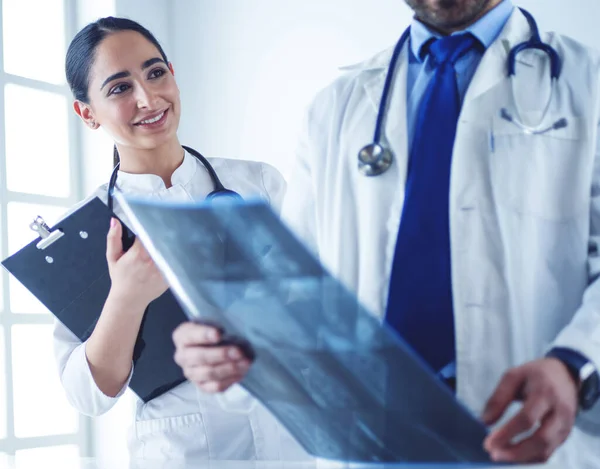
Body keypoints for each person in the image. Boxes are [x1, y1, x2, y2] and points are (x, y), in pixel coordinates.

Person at [275, 0, 600, 466]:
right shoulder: (332, 108)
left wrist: (575, 364)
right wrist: (230, 341)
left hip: (528, 434)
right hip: (377, 438)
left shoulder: (589, 82)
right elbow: (294, 285)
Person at [54, 16, 308, 460]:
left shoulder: (258, 184)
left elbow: (318, 309)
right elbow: (88, 395)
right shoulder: (86, 229)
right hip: (182, 452)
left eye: (155, 73)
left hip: (291, 441)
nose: (148, 98)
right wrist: (126, 298)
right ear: (87, 113)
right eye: (119, 88)